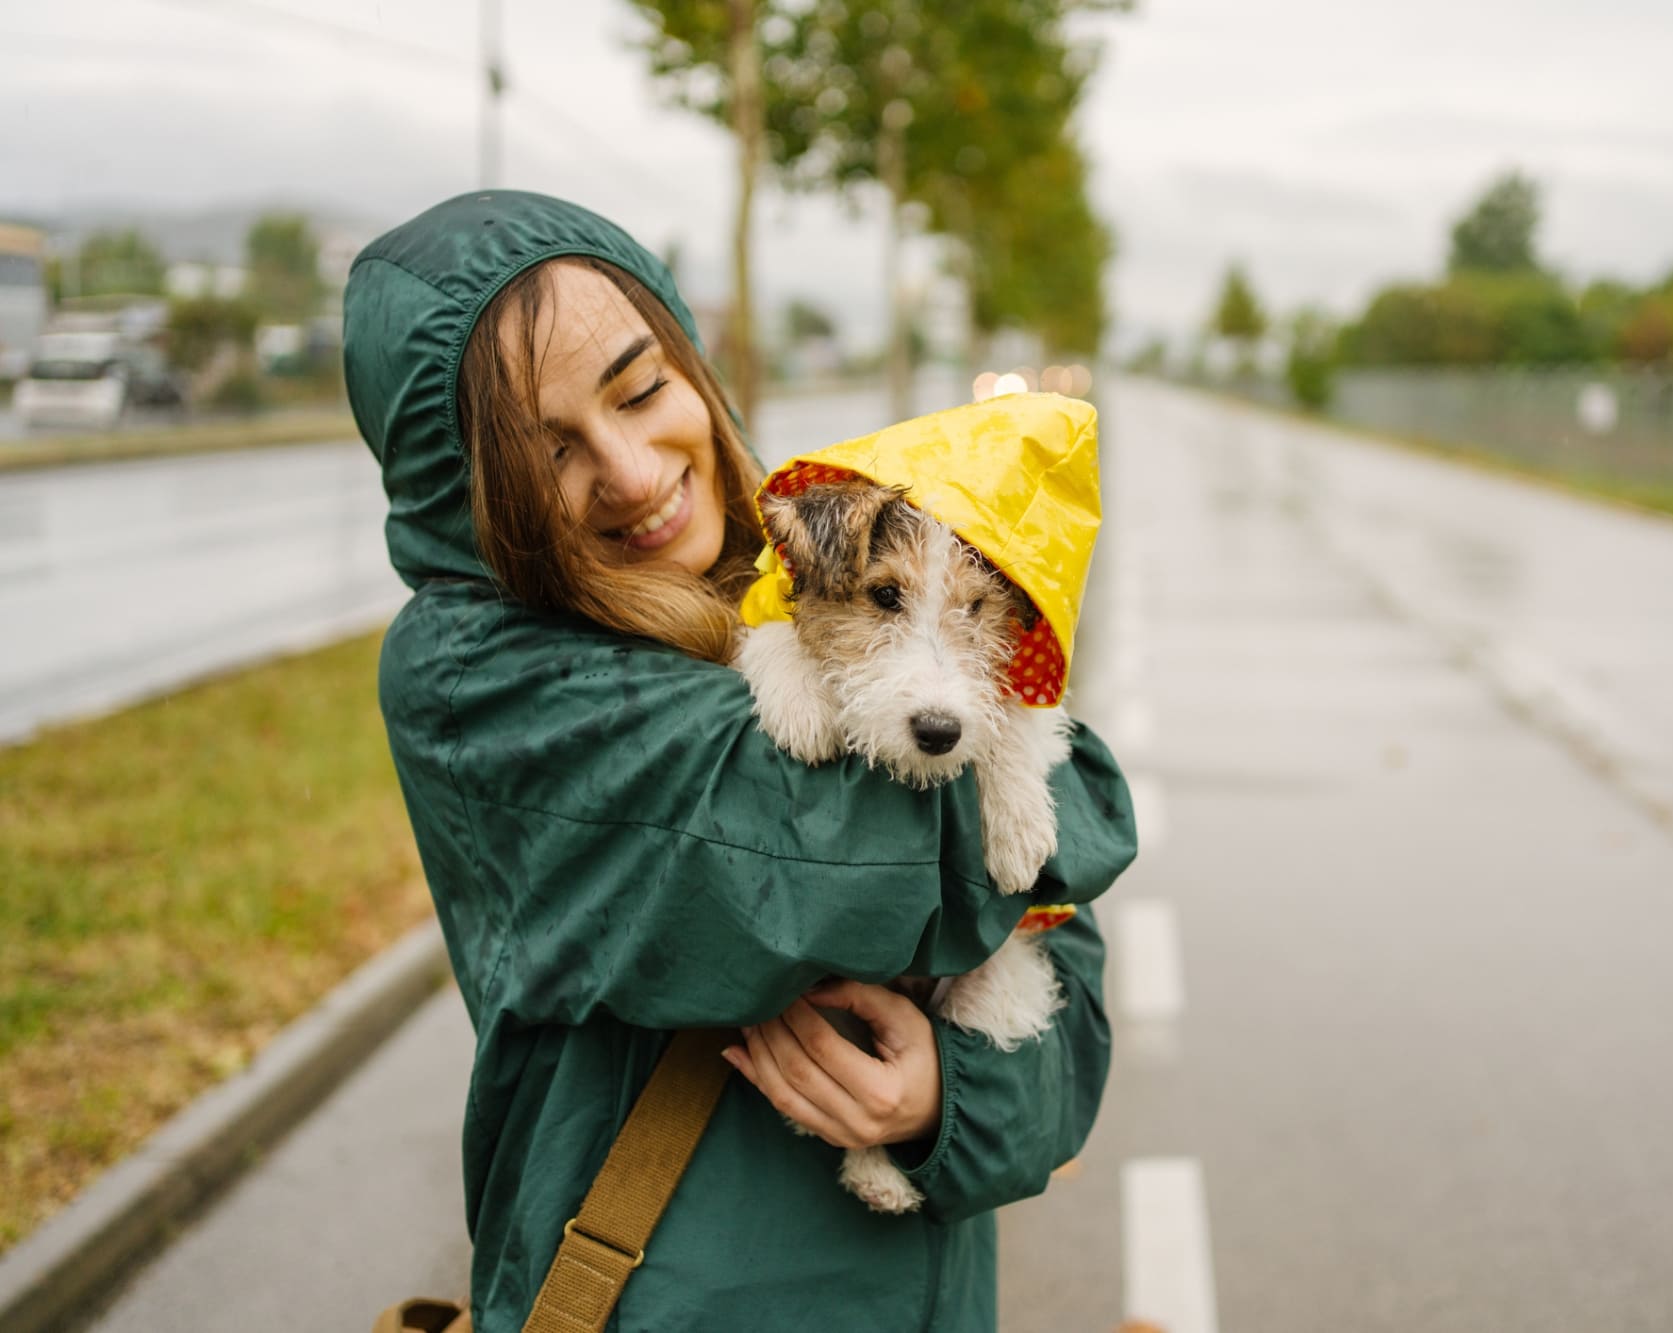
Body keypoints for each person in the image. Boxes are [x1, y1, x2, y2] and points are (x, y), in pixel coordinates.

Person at [342, 189, 1136, 1332]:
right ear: (462, 494)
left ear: (690, 360)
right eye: (547, 451)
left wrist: (946, 1103)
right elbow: (865, 859)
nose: (628, 470)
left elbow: (1069, 986)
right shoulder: (482, 677)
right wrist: (1059, 777)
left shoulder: (816, 562)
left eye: (640, 388)